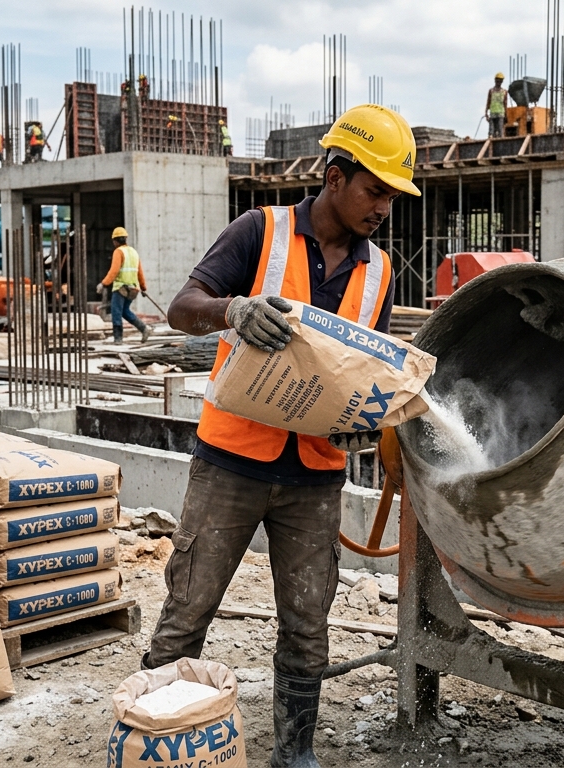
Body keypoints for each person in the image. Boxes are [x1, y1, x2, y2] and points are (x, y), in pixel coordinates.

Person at [144, 103, 416, 768]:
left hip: (314, 477)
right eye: (374, 190)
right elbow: (181, 308)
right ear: (334, 176)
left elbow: (363, 366)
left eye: (392, 197)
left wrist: (362, 421)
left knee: (307, 623)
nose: (384, 208)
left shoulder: (379, 271)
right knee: (188, 609)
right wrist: (232, 309)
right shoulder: (258, 231)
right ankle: (155, 742)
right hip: (231, 462)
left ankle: (295, 753)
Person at [96, 226, 150, 343]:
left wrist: (103, 283)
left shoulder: (118, 252)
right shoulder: (134, 252)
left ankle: (118, 338)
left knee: (116, 312)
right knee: (125, 311)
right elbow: (140, 272)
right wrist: (143, 287)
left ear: (115, 241)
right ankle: (143, 328)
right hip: (133, 289)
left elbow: (114, 271)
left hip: (121, 288)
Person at [486, 72, 508, 138]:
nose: (499, 82)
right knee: (491, 133)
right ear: (495, 80)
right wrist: (486, 113)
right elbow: (488, 102)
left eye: (500, 80)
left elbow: (505, 103)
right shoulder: (491, 91)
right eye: (498, 80)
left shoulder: (504, 92)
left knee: (500, 132)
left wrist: (506, 115)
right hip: (492, 114)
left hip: (501, 114)